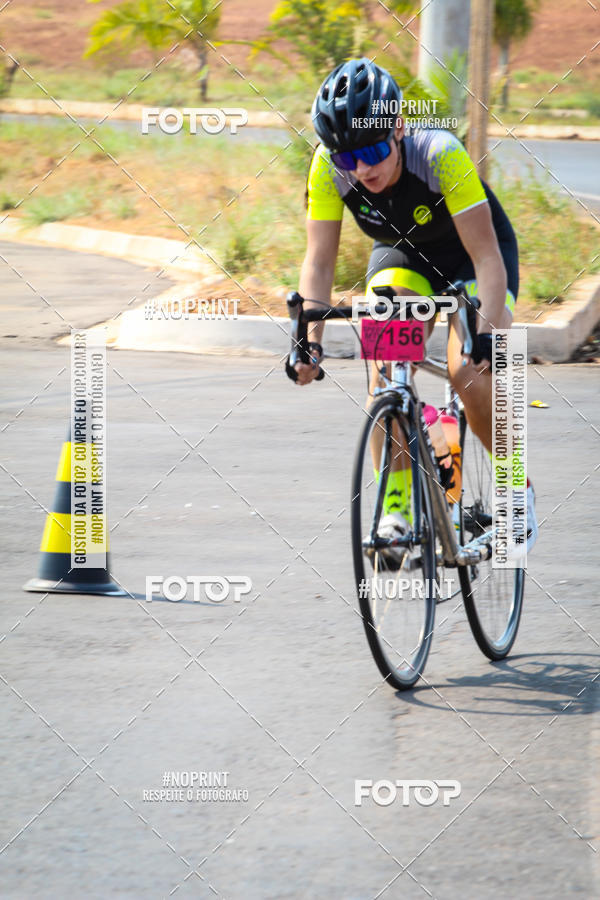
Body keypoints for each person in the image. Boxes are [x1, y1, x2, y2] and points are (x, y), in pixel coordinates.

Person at [292, 57, 538, 560]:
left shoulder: (440, 154)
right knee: (385, 374)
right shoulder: (327, 166)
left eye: (374, 151)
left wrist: (487, 336)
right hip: (402, 258)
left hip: (473, 259)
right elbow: (319, 261)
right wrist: (308, 342)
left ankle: (519, 490)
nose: (363, 169)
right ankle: (397, 505)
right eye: (348, 158)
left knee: (468, 371)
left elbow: (488, 259)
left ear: (399, 128)